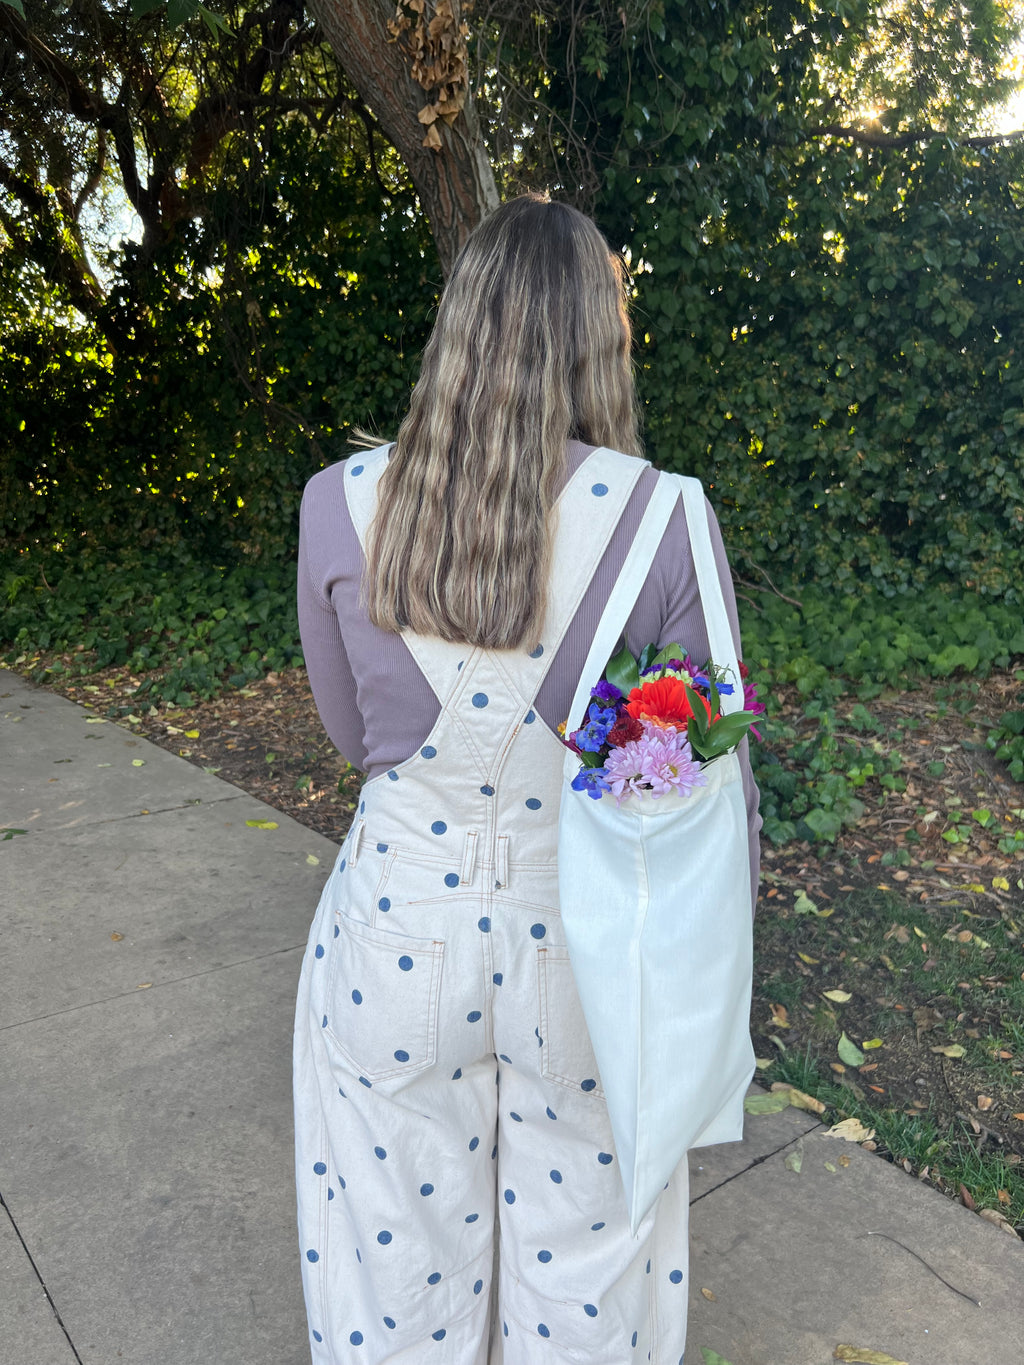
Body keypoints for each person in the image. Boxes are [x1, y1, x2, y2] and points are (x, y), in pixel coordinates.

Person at [293, 193, 761, 1365]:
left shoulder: (337, 503)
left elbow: (355, 736)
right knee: (587, 1283)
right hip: (586, 955)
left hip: (393, 934)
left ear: (458, 321)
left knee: (390, 1283)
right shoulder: (664, 517)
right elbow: (705, 784)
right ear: (599, 335)